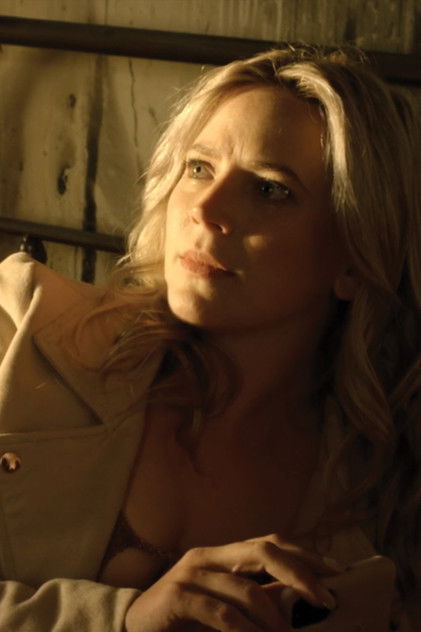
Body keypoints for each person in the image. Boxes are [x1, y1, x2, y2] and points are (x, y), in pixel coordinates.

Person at [0, 44, 419, 631]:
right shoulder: (23, 333)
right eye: (199, 168)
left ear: (353, 257)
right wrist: (123, 620)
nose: (205, 207)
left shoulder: (382, 486)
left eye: (270, 189)